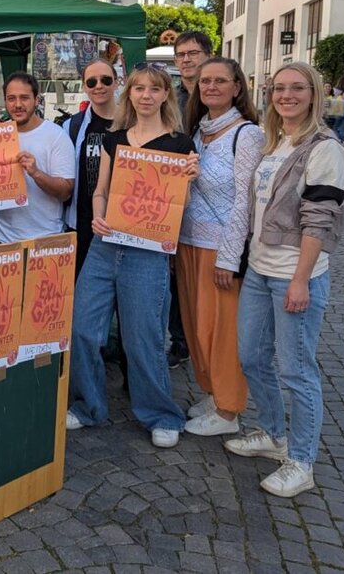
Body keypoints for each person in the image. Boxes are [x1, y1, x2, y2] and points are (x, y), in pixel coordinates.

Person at [226, 62, 344, 498]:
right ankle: (274, 434)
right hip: (260, 268)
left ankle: (301, 461)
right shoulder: (274, 142)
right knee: (250, 357)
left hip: (296, 275)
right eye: (279, 88)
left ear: (314, 94)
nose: (287, 95)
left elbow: (320, 221)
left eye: (297, 88)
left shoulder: (324, 147)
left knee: (297, 370)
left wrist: (300, 280)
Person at [67, 65, 198, 449]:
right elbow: (100, 190)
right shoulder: (116, 139)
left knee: (143, 339)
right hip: (106, 247)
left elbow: (181, 205)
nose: (145, 95)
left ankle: (161, 414)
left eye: (153, 89)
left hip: (147, 253)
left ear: (164, 96)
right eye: (138, 88)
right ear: (130, 94)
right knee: (82, 329)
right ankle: (89, 406)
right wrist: (99, 215)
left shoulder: (180, 144)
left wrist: (188, 179)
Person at [176, 58, 263, 437]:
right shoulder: (197, 132)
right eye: (205, 81)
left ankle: (229, 411)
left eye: (220, 81)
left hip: (221, 247)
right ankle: (212, 393)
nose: (211, 86)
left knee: (223, 331)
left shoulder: (247, 135)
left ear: (237, 87)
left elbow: (246, 201)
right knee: (197, 327)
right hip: (189, 241)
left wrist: (230, 258)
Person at [0, 72, 75, 245]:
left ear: (36, 100)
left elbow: (65, 192)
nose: (18, 104)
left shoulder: (56, 136)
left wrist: (36, 173)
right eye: (11, 98)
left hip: (44, 238)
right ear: (5, 101)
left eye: (24, 98)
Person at [169, 31, 212, 367]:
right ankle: (181, 342)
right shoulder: (171, 96)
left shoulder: (218, 93)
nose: (185, 60)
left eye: (192, 53)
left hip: (211, 198)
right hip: (174, 193)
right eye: (180, 54)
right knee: (175, 273)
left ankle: (205, 344)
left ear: (207, 55)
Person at [63, 58, 119, 276]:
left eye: (105, 80)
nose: (99, 86)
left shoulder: (134, 124)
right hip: (81, 226)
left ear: (116, 82)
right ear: (84, 86)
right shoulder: (72, 126)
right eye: (92, 82)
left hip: (124, 225)